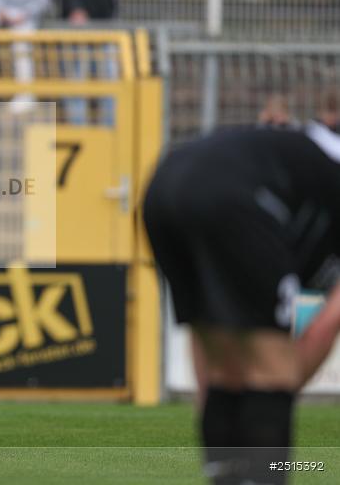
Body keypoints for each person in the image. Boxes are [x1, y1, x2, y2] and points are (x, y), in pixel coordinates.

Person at [143, 122, 340, 485]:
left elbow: (209, 355)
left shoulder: (306, 165)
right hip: (234, 197)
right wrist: (270, 395)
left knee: (226, 373)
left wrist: (231, 400)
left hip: (162, 186)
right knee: (270, 374)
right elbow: (322, 331)